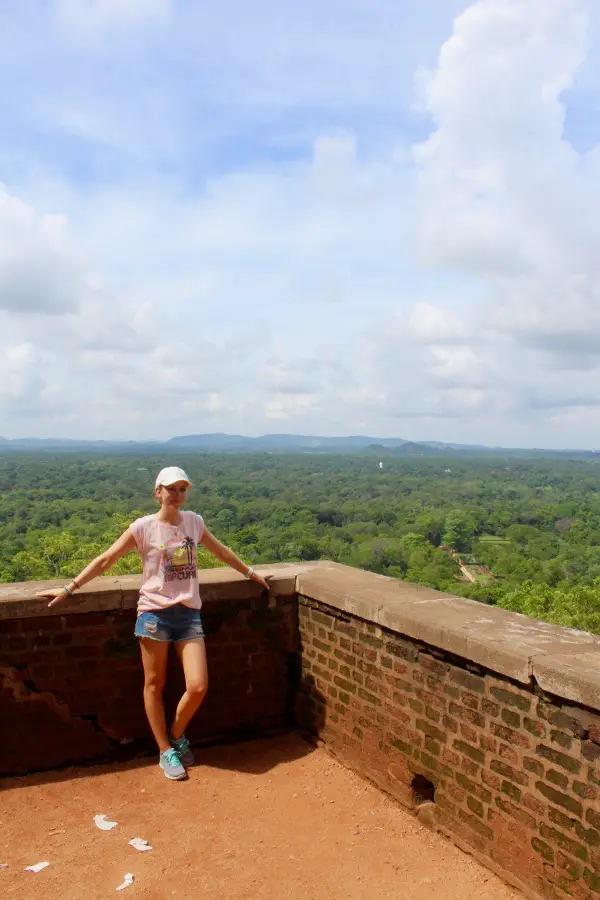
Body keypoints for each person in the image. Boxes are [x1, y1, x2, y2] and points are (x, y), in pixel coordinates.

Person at [36, 466, 271, 781]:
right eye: (170, 489)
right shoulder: (143, 527)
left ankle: (176, 733)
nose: (176, 495)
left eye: (182, 489)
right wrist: (69, 588)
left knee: (198, 685)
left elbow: (223, 553)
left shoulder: (194, 522)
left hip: (188, 613)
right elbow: (107, 559)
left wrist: (253, 574)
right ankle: (165, 750)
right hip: (153, 615)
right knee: (153, 684)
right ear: (157, 492)